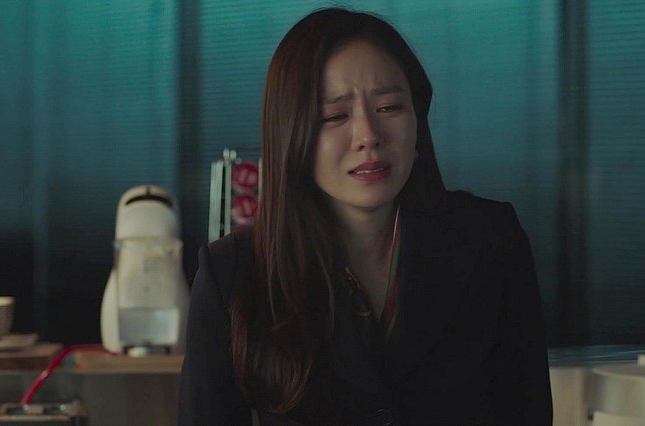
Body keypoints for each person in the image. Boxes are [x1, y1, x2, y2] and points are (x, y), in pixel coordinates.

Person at [178, 7, 552, 426]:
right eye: (335, 116)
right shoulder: (232, 276)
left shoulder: (490, 241)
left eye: (389, 107)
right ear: (291, 133)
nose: (368, 136)